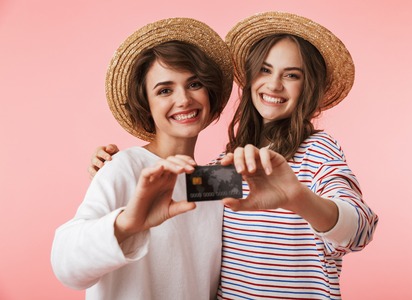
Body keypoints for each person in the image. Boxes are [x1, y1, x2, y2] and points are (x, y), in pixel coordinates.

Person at [90, 12, 378, 300]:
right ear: (251, 78)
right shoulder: (226, 166)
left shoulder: (317, 150)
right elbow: (172, 195)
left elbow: (359, 229)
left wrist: (297, 198)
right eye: (265, 70)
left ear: (309, 87)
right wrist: (114, 170)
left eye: (291, 75)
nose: (274, 84)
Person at [51, 17, 234, 300]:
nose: (184, 99)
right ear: (146, 104)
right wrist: (127, 225)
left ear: (209, 92)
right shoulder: (123, 167)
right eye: (164, 90)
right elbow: (66, 268)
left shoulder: (215, 180)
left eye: (194, 84)